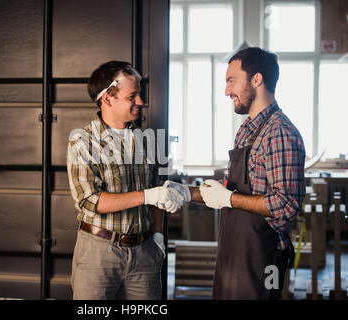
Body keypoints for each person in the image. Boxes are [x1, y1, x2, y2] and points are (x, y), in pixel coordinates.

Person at [167, 47, 306, 299]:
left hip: (265, 258)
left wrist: (228, 199)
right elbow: (237, 187)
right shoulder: (247, 130)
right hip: (235, 252)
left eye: (231, 81)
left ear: (257, 79)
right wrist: (187, 193)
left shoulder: (280, 132)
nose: (226, 91)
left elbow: (286, 204)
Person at [67, 61, 186, 300]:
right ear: (108, 99)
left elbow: (158, 192)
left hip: (144, 253)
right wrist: (147, 195)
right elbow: (91, 200)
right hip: (98, 254)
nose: (140, 101)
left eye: (139, 94)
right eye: (133, 96)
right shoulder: (83, 141)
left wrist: (159, 237)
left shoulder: (146, 139)